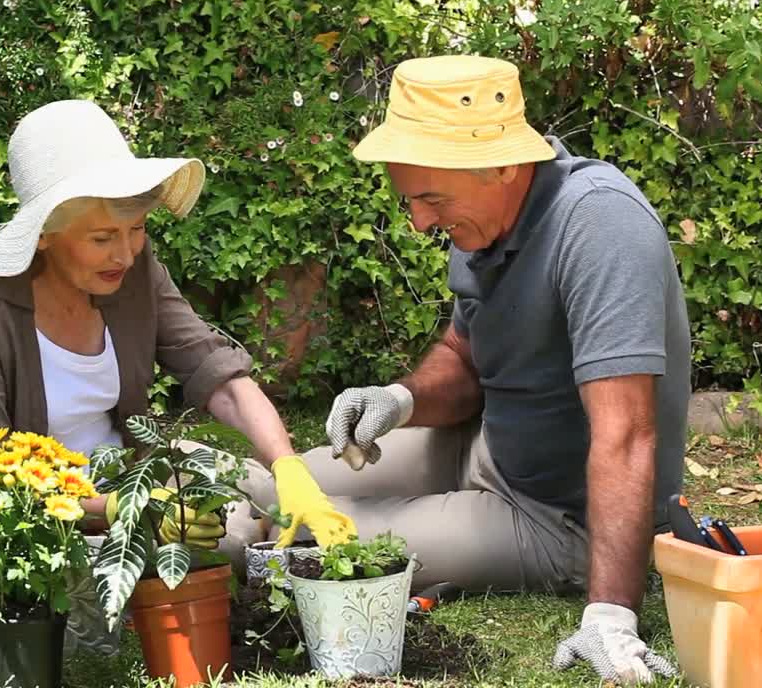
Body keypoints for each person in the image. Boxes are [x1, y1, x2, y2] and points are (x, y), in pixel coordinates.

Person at [234, 55, 691, 685]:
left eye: (430, 198)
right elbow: (464, 353)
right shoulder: (484, 215)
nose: (421, 221)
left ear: (503, 165)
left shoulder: (599, 226)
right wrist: (398, 399)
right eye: (412, 199)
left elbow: (626, 434)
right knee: (277, 486)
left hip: (556, 517)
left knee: (305, 543)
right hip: (483, 449)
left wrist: (610, 616)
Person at [0, 98, 357, 560]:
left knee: (268, 487)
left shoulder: (131, 275)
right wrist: (124, 509)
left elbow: (218, 374)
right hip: (51, 516)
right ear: (44, 236)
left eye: (137, 229)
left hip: (133, 473)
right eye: (102, 238)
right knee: (226, 540)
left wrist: (287, 464)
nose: (126, 254)